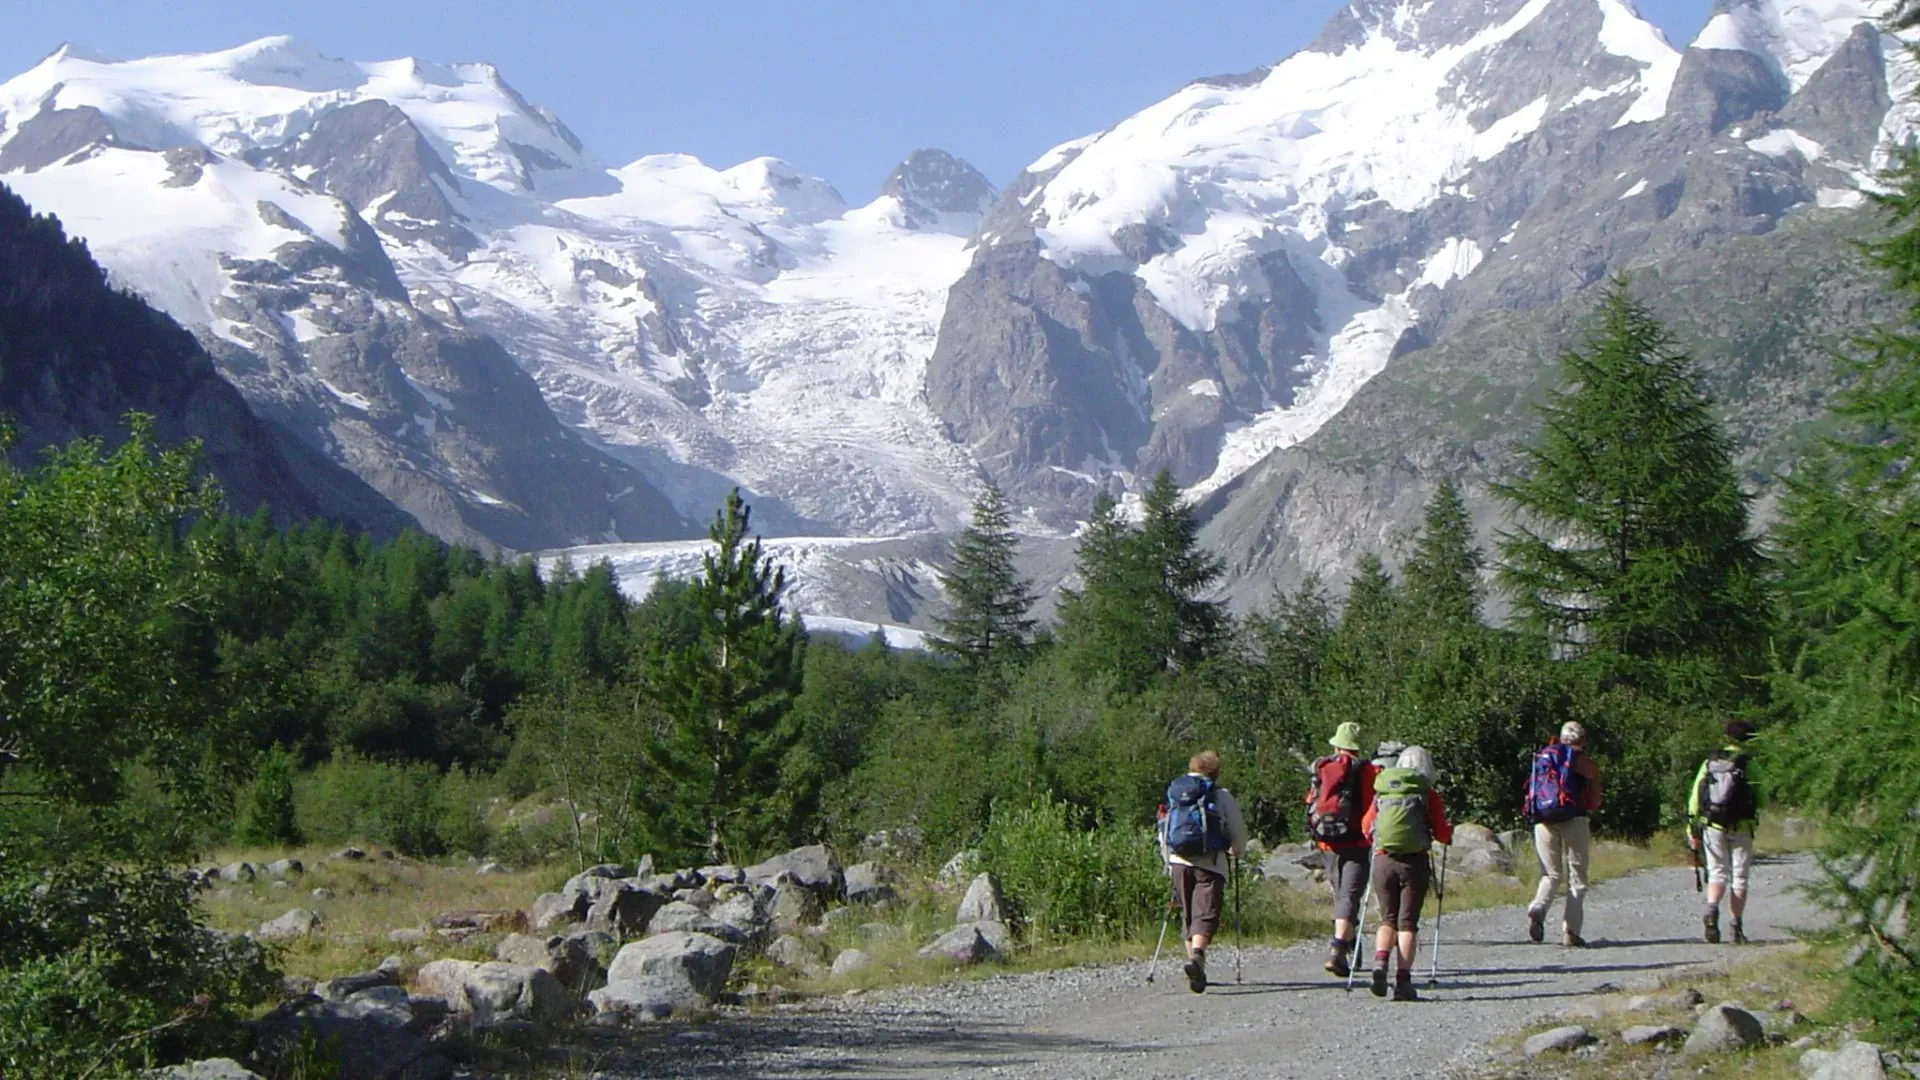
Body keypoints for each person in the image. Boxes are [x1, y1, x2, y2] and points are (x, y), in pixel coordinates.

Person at [1361, 745, 1453, 1001]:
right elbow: (1442, 834)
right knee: (1407, 923)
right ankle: (1403, 982)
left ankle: (1380, 961)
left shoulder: (1383, 790)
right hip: (1414, 864)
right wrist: (1448, 832)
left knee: (1387, 918)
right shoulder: (1427, 794)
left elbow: (1366, 827)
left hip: (1383, 860)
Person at [1163, 749, 1250, 994]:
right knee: (1206, 912)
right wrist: (1237, 850)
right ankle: (1198, 957)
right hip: (1210, 862)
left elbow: (1164, 827)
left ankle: (1195, 968)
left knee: (1188, 912)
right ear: (1215, 771)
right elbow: (1237, 829)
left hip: (1178, 860)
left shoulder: (1175, 792)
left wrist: (1168, 860)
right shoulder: (1220, 794)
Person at [1304, 722, 1381, 976]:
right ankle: (1339, 950)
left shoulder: (1324, 768)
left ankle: (1349, 949)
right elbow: (1374, 805)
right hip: (1357, 842)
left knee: (1341, 895)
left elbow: (1310, 801)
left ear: (1337, 745)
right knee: (1350, 896)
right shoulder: (1368, 770)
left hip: (1328, 842)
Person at [1525, 721, 1602, 947]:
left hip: (1542, 819)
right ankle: (1571, 932)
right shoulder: (1582, 760)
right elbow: (1595, 794)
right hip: (1573, 819)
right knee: (1577, 878)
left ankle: (1538, 907)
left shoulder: (1544, 756)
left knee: (1550, 874)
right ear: (1582, 740)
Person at [1689, 719, 1759, 945]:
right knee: (1739, 876)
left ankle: (1711, 909)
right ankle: (1736, 927)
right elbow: (1763, 794)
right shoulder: (1749, 763)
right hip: (1741, 826)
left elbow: (1695, 796)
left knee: (1717, 871)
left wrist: (1692, 825)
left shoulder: (1710, 762)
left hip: (1712, 824)